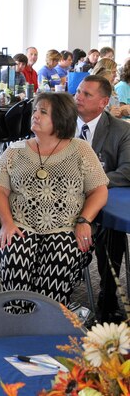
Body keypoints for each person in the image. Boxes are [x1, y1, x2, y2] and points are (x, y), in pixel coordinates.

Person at [0, 92, 108, 307]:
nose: (35, 115)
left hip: (67, 227)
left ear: (61, 118)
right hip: (20, 224)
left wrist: (84, 221)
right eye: (35, 110)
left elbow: (99, 190)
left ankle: (47, 326)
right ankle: (16, 325)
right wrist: (7, 223)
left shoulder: (81, 149)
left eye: (43, 112)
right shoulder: (15, 150)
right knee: (15, 259)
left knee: (58, 263)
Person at [76, 74, 130, 321]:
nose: (79, 97)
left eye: (87, 94)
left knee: (109, 228)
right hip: (61, 198)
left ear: (103, 102)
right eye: (78, 91)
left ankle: (107, 298)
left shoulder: (121, 130)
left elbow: (127, 171)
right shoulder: (60, 122)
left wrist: (94, 185)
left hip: (100, 198)